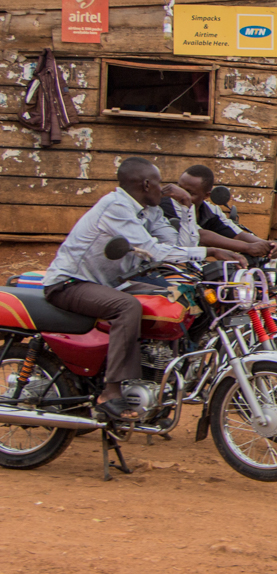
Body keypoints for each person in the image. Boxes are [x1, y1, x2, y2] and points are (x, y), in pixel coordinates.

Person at [42, 157, 245, 420]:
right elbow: (154, 251)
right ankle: (111, 391)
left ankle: (158, 379)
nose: (163, 189)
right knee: (127, 306)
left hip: (111, 282)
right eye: (159, 183)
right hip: (72, 283)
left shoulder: (148, 210)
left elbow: (179, 246)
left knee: (182, 295)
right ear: (147, 184)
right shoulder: (116, 208)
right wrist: (214, 250)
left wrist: (185, 207)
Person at [164, 164, 277, 258]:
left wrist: (267, 245)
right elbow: (200, 235)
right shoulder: (168, 205)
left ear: (206, 195)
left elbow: (238, 235)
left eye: (189, 193)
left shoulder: (210, 210)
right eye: (180, 188)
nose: (181, 195)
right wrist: (247, 247)